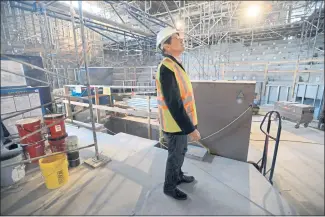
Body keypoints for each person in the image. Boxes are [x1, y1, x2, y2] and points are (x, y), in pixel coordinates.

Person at [155, 27, 201, 200]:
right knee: (175, 155)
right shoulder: (166, 67)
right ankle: (169, 186)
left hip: (179, 123)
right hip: (174, 124)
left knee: (181, 152)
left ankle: (178, 176)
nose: (181, 39)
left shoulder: (174, 64)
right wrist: (191, 129)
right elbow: (174, 103)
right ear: (166, 46)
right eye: (176, 38)